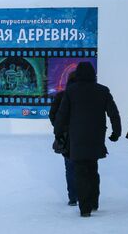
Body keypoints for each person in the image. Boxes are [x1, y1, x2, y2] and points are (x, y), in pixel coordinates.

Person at [54, 62, 121, 217]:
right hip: (96, 137)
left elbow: (62, 114)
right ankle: (94, 202)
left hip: (77, 137)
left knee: (80, 171)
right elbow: (114, 113)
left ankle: (85, 208)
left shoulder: (71, 91)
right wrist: (116, 132)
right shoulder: (102, 91)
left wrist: (58, 133)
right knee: (93, 169)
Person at [49, 71, 77, 206]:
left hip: (66, 138)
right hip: (82, 137)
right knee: (84, 167)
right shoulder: (85, 97)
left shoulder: (61, 96)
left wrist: (60, 130)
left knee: (70, 167)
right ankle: (84, 196)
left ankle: (73, 197)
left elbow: (52, 115)